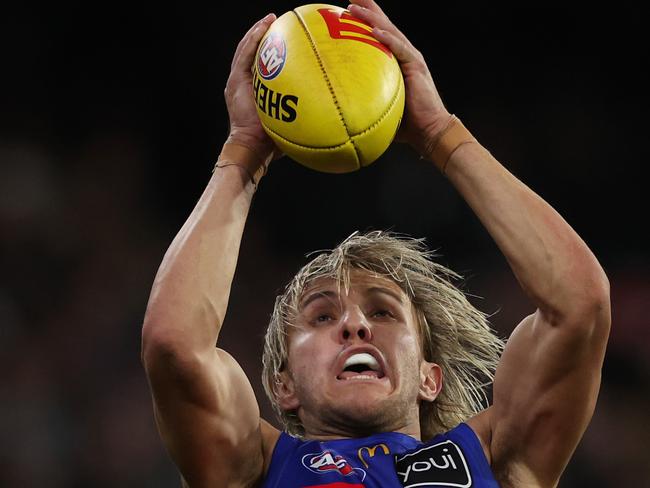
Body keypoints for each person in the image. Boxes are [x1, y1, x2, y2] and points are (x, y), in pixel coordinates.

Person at [141, 1, 611, 486]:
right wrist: (242, 153)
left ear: (430, 377)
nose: (355, 326)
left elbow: (580, 306)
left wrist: (440, 133)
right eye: (322, 316)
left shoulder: (494, 461)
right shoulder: (256, 468)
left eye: (383, 312)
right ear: (284, 386)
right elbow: (175, 345)